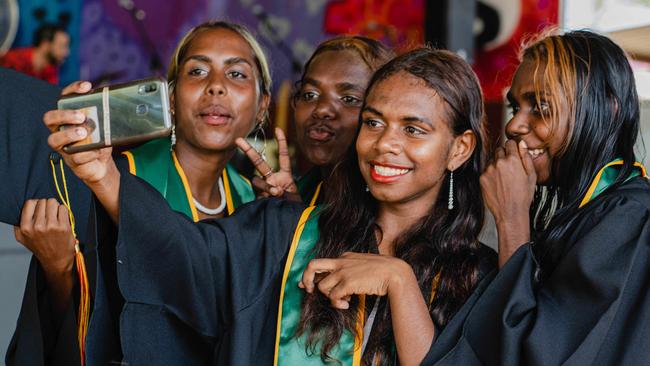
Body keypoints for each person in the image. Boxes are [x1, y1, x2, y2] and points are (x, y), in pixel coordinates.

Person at [46, 47, 497, 365]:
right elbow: (185, 259)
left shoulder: (478, 274)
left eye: (413, 130)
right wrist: (103, 174)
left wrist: (399, 282)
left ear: (459, 149)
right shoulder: (283, 233)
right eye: (374, 122)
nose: (385, 145)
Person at [6, 20, 271, 365]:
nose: (216, 87)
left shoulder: (254, 205)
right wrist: (59, 269)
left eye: (236, 74)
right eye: (197, 71)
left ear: (262, 105)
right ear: (171, 99)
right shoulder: (110, 177)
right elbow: (76, 335)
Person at [423, 30, 650, 365]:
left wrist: (512, 219)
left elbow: (538, 355)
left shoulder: (631, 218)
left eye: (541, 107)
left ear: (609, 110)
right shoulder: (588, 214)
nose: (514, 125)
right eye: (517, 106)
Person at [238, 36, 393, 206]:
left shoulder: (392, 204)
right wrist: (288, 219)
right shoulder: (296, 194)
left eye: (349, 99)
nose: (321, 110)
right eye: (310, 95)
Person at [0, 23, 70, 84]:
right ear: (45, 45)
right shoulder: (12, 60)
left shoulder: (51, 70)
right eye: (61, 46)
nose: (67, 52)